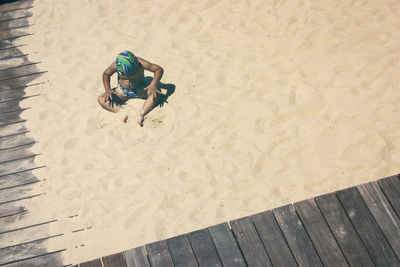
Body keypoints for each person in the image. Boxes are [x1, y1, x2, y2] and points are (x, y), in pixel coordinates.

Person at [98, 51, 164, 126]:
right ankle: (121, 111)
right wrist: (108, 89)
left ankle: (142, 113)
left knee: (156, 93)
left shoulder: (141, 63)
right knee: (101, 99)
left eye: (133, 73)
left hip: (139, 89)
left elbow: (159, 69)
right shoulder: (116, 65)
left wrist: (153, 84)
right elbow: (106, 74)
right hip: (122, 91)